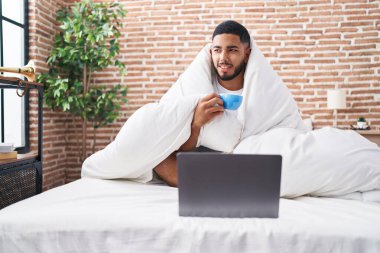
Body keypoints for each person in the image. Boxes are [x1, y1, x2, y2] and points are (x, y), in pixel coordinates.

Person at [154, 20, 252, 187]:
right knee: (156, 156)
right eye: (217, 50)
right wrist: (196, 125)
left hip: (240, 168)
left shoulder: (256, 93)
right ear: (210, 52)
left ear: (247, 54)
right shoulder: (197, 87)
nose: (223, 58)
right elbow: (170, 144)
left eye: (232, 50)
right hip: (195, 167)